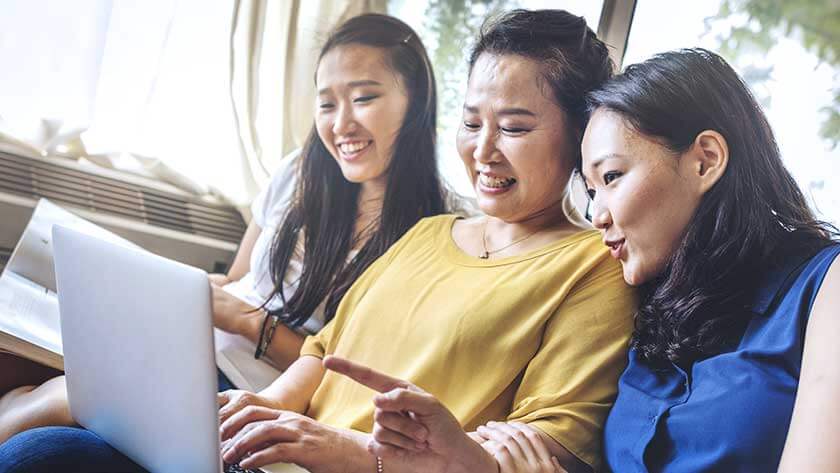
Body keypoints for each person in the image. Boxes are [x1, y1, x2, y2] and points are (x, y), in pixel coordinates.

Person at [0, 13, 453, 472]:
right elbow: (237, 279)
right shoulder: (299, 170)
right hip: (196, 341)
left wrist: (244, 319)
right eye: (326, 104)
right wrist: (175, 298)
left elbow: (342, 367)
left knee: (61, 399)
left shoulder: (431, 233)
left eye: (363, 98)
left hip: (249, 379)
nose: (341, 125)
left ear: (415, 102)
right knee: (15, 364)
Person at [352, 48, 840, 473]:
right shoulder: (647, 310)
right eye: (588, 191)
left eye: (611, 177)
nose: (596, 215)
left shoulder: (824, 288)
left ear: (705, 159)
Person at [216, 9, 635, 473]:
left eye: (513, 128)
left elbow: (541, 449)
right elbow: (323, 352)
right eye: (473, 124)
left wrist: (343, 449)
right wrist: (261, 410)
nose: (482, 151)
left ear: (581, 135)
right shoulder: (429, 232)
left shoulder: (595, 265)